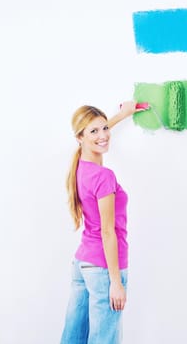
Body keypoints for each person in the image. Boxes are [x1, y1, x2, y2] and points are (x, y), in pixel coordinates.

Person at [61, 102, 146, 344]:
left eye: (105, 129)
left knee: (73, 337)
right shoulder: (103, 176)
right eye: (94, 132)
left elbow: (96, 132)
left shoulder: (80, 167)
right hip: (103, 269)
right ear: (80, 137)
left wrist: (121, 115)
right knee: (104, 339)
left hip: (83, 263)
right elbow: (108, 232)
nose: (104, 136)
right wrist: (116, 282)